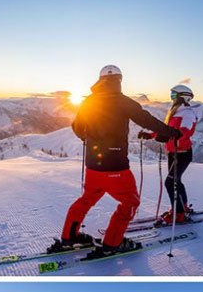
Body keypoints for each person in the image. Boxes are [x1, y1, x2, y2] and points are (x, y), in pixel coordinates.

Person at [53, 65, 181, 259]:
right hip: (115, 166)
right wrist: (171, 132)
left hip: (92, 165)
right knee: (130, 201)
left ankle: (69, 237)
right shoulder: (123, 102)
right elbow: (147, 121)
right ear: (119, 80)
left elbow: (77, 126)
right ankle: (112, 243)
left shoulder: (89, 101)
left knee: (86, 199)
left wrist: (87, 140)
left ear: (100, 80)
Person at [138, 84, 200, 224]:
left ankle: (179, 214)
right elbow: (168, 131)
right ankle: (182, 208)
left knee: (170, 182)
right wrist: (151, 135)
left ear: (183, 97)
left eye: (174, 95)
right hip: (173, 153)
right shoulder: (175, 113)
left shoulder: (188, 114)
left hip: (182, 153)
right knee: (176, 181)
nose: (171, 98)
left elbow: (185, 131)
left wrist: (171, 137)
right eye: (171, 95)